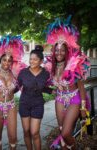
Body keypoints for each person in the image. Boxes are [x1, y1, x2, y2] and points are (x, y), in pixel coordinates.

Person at [45, 16, 90, 150]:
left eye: (62, 50)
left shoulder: (74, 64)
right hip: (59, 99)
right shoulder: (51, 67)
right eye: (57, 50)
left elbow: (81, 88)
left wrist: (83, 108)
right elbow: (45, 83)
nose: (59, 52)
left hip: (74, 99)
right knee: (61, 131)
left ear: (67, 51)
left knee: (66, 133)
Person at [0, 35, 26, 150]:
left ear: (12, 62)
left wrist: (14, 88)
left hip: (11, 105)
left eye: (9, 60)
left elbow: (18, 88)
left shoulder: (14, 74)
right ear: (0, 60)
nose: (7, 62)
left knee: (13, 136)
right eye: (4, 60)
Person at [17, 45, 52, 150]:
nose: (32, 61)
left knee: (35, 132)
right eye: (30, 59)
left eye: (35, 59)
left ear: (41, 61)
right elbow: (16, 86)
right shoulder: (23, 72)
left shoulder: (45, 73)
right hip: (24, 103)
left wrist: (53, 90)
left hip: (38, 104)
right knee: (26, 131)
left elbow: (44, 88)